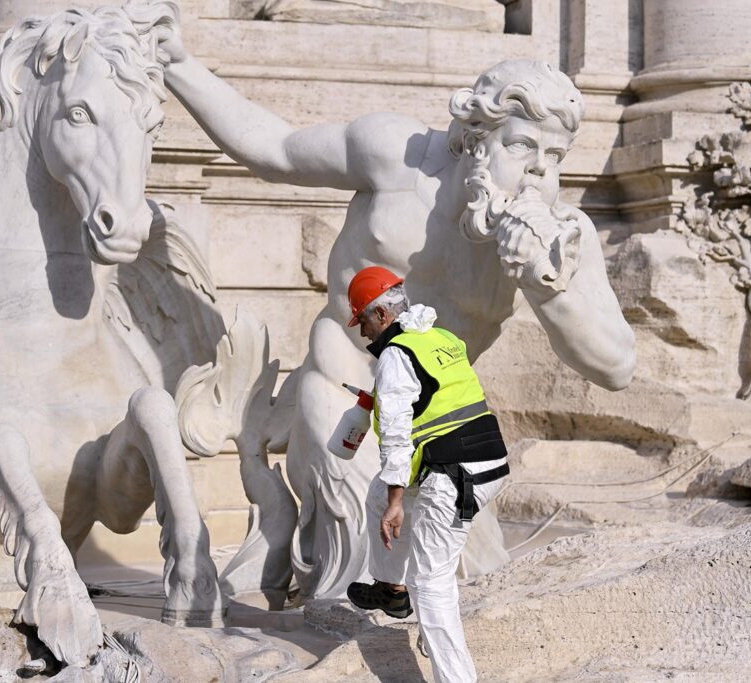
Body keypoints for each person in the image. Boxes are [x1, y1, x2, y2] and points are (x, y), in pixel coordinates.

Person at [155, 23, 637, 600]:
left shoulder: (561, 236)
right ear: (475, 141)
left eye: (554, 155)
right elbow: (273, 150)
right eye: (521, 146)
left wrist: (546, 282)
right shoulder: (397, 157)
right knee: (368, 576)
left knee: (468, 586)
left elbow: (616, 367)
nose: (538, 170)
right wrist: (177, 64)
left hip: (437, 425)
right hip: (346, 392)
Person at [344, 265, 508, 683]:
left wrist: (399, 504)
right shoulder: (440, 337)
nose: (362, 333)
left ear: (382, 316)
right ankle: (390, 591)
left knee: (430, 583)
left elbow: (396, 438)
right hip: (484, 460)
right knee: (380, 493)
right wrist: (392, 497)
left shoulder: (397, 356)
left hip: (455, 473)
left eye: (362, 320)